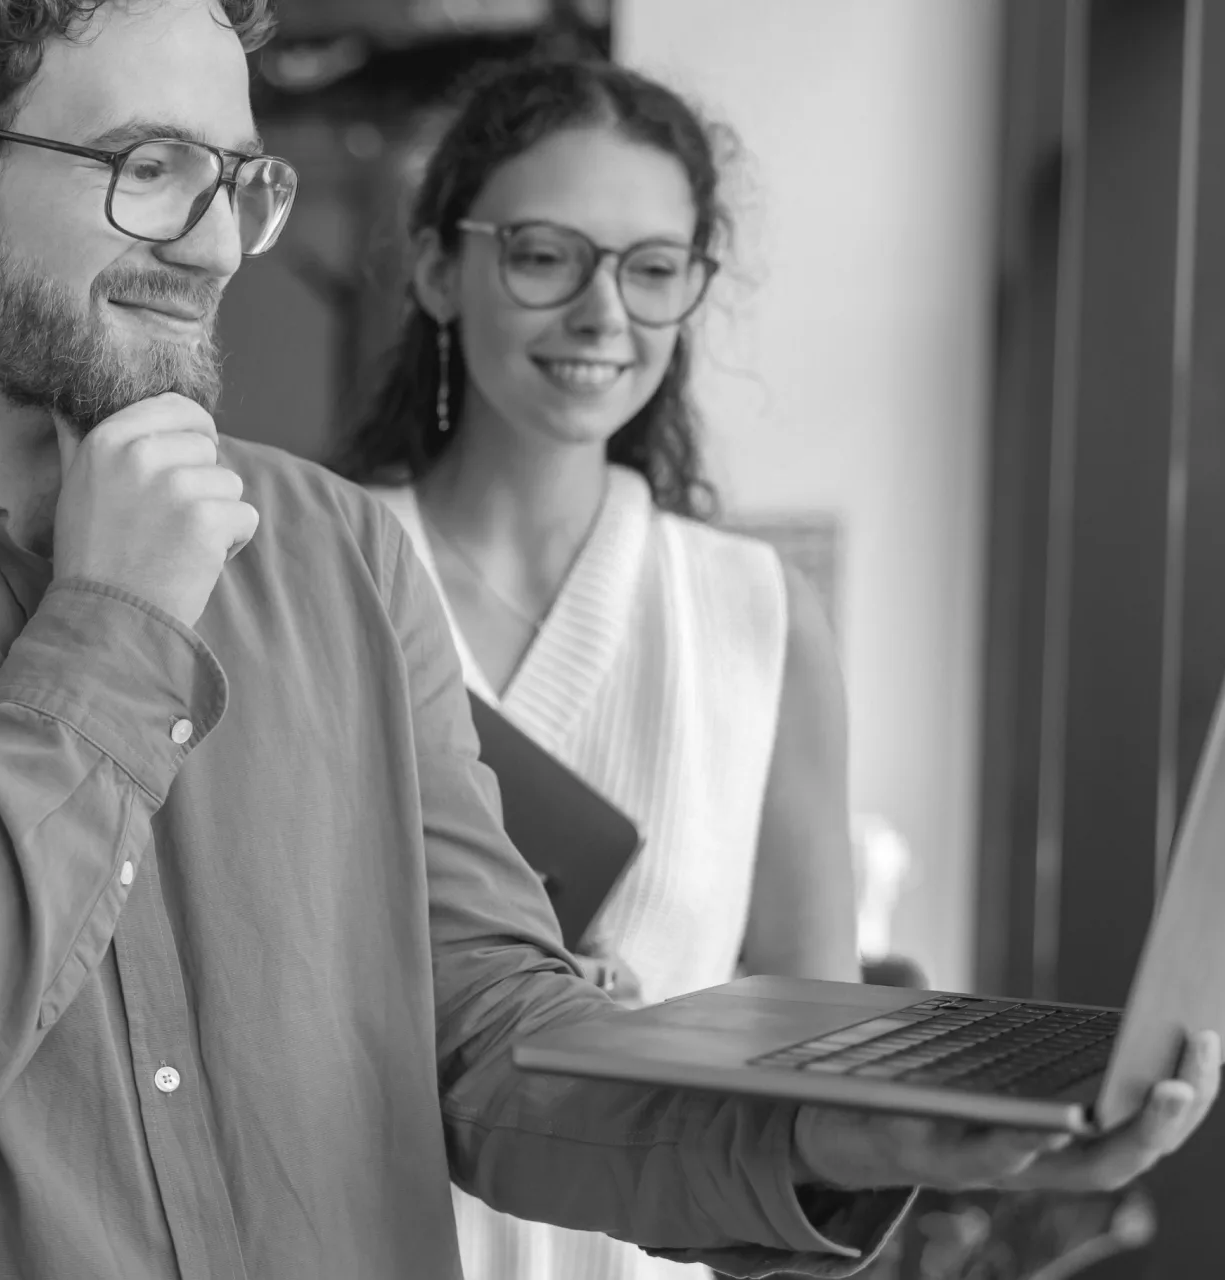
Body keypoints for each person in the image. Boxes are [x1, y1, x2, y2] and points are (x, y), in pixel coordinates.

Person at [0, 0, 1222, 1275]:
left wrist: (839, 1131)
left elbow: (495, 1052)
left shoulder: (334, 551)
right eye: (147, 173)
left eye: (235, 181)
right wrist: (112, 629)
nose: (211, 243)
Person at [336, 58, 859, 1280]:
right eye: (542, 255)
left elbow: (818, 1064)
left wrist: (633, 1031)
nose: (602, 313)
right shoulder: (310, 573)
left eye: (653, 268)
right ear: (435, 270)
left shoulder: (758, 615)